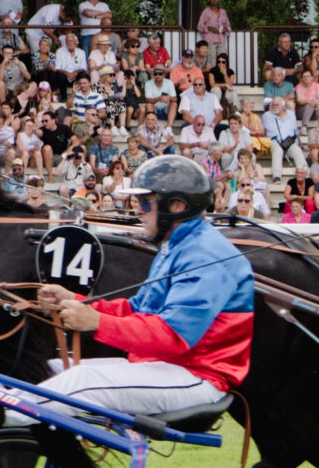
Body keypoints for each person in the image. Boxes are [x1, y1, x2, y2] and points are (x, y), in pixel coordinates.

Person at [33, 154, 250, 420]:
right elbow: (136, 309)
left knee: (81, 378)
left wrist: (97, 322)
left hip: (199, 376)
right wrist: (77, 301)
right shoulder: (176, 246)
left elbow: (174, 336)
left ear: (178, 206)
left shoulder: (205, 254)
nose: (138, 210)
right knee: (51, 369)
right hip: (165, 367)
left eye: (146, 203)